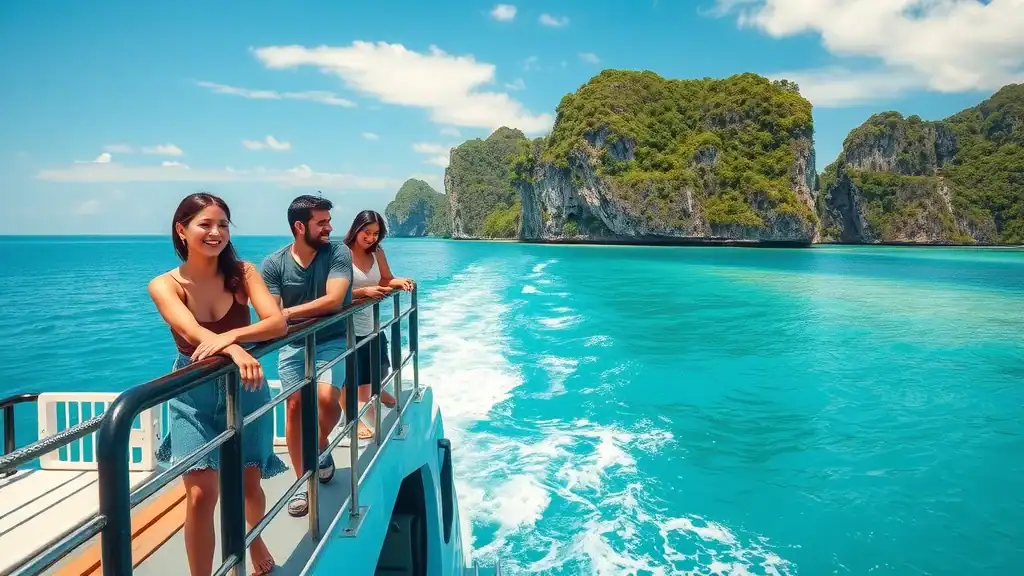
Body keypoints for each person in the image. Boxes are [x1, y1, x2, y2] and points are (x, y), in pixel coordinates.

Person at [148, 192, 287, 576]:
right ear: (182, 230)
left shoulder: (243, 273)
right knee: (199, 494)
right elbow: (192, 333)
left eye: (222, 224)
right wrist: (236, 348)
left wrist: (232, 339)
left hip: (247, 386)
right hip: (193, 393)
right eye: (205, 224)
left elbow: (276, 323)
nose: (216, 232)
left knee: (248, 485)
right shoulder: (164, 285)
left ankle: (254, 538)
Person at [261, 194, 352, 518]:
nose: (330, 227)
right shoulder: (274, 264)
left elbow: (335, 300)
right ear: (300, 226)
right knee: (295, 407)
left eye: (328, 220)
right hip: (293, 346)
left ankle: (318, 446)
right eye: (322, 222)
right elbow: (271, 314)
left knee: (327, 398)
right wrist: (280, 317)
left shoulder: (338, 252)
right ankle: (303, 482)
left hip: (332, 339)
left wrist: (288, 312)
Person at [344, 210, 414, 439]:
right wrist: (363, 292)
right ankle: (354, 419)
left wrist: (399, 281)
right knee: (350, 377)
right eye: (367, 232)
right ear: (356, 229)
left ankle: (376, 389)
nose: (371, 238)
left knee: (380, 366)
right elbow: (332, 293)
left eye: (376, 234)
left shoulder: (377, 252)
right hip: (345, 328)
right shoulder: (341, 255)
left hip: (371, 323)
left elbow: (385, 278)